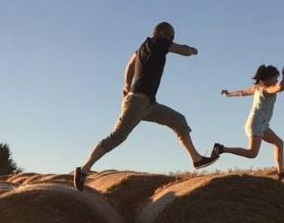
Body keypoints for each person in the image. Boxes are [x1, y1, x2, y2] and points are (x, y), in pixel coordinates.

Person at [72, 22, 219, 190]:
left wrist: (126, 85)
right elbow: (184, 50)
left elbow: (130, 64)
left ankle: (196, 159)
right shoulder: (159, 42)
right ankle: (83, 170)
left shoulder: (143, 47)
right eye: (171, 36)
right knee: (116, 137)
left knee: (178, 120)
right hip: (137, 103)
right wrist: (193, 50)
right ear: (163, 34)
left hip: (149, 104)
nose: (171, 39)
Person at [213, 63, 284, 178]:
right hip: (255, 124)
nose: (276, 81)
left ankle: (281, 173)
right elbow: (280, 88)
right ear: (267, 79)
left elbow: (242, 93)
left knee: (279, 143)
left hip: (262, 124)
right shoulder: (266, 89)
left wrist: (228, 94)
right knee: (252, 153)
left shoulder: (257, 88)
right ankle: (221, 148)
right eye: (275, 78)